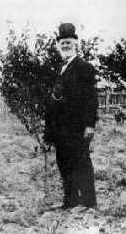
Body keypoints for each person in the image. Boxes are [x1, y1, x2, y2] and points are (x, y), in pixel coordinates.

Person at [44, 23, 98, 210]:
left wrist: (90, 125)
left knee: (81, 163)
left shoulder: (84, 68)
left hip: (77, 127)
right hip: (61, 128)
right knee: (64, 164)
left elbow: (91, 99)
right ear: (58, 45)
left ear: (76, 44)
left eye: (68, 42)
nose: (65, 45)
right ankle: (71, 200)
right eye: (62, 42)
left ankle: (89, 203)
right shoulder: (61, 68)